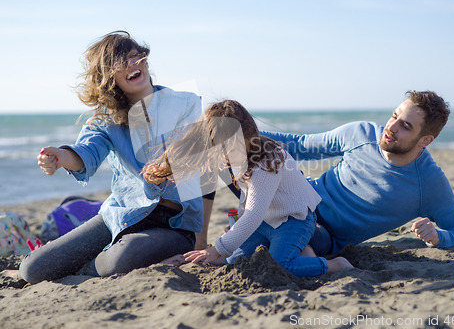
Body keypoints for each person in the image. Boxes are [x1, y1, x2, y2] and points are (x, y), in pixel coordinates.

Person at [19, 31, 205, 283]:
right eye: (120, 64)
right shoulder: (107, 119)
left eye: (134, 57)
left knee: (121, 259)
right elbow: (87, 152)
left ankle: (93, 266)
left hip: (173, 224)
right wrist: (61, 157)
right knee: (33, 269)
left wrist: (201, 240)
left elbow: (195, 162)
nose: (131, 65)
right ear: (109, 77)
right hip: (122, 215)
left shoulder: (186, 104)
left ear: (145, 60)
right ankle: (100, 261)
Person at [142, 100, 354, 277]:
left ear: (250, 137)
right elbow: (249, 197)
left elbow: (254, 213)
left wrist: (217, 247)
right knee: (234, 259)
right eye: (221, 149)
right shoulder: (234, 154)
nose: (227, 156)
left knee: (280, 265)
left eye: (233, 148)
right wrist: (163, 170)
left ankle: (334, 265)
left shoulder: (266, 162)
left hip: (294, 219)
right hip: (266, 221)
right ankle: (302, 254)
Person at [259, 90, 454, 256]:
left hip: (324, 234)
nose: (391, 127)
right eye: (394, 116)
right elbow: (299, 145)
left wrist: (438, 237)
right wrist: (245, 133)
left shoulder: (429, 183)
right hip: (300, 198)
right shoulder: (361, 133)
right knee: (236, 158)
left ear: (425, 140)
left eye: (406, 126)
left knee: (282, 235)